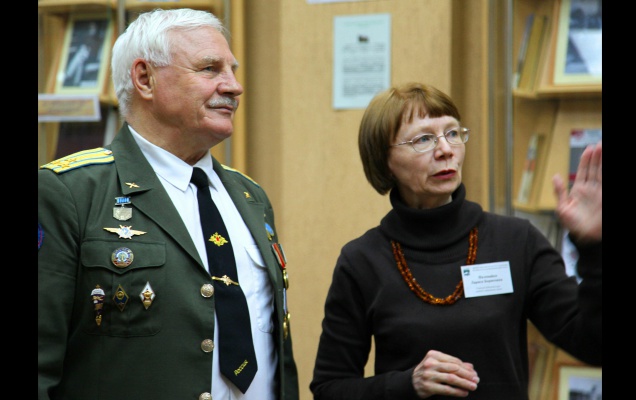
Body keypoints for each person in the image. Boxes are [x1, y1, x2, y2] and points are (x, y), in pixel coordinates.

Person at [38, 8, 299, 400]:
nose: (234, 86)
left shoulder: (250, 197)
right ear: (145, 78)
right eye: (210, 69)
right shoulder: (71, 192)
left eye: (232, 70)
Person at [310, 82, 601, 399]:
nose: (446, 149)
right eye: (424, 139)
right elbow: (329, 388)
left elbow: (593, 343)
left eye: (452, 133)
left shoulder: (517, 241)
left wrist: (594, 246)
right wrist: (407, 385)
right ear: (385, 160)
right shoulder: (362, 260)